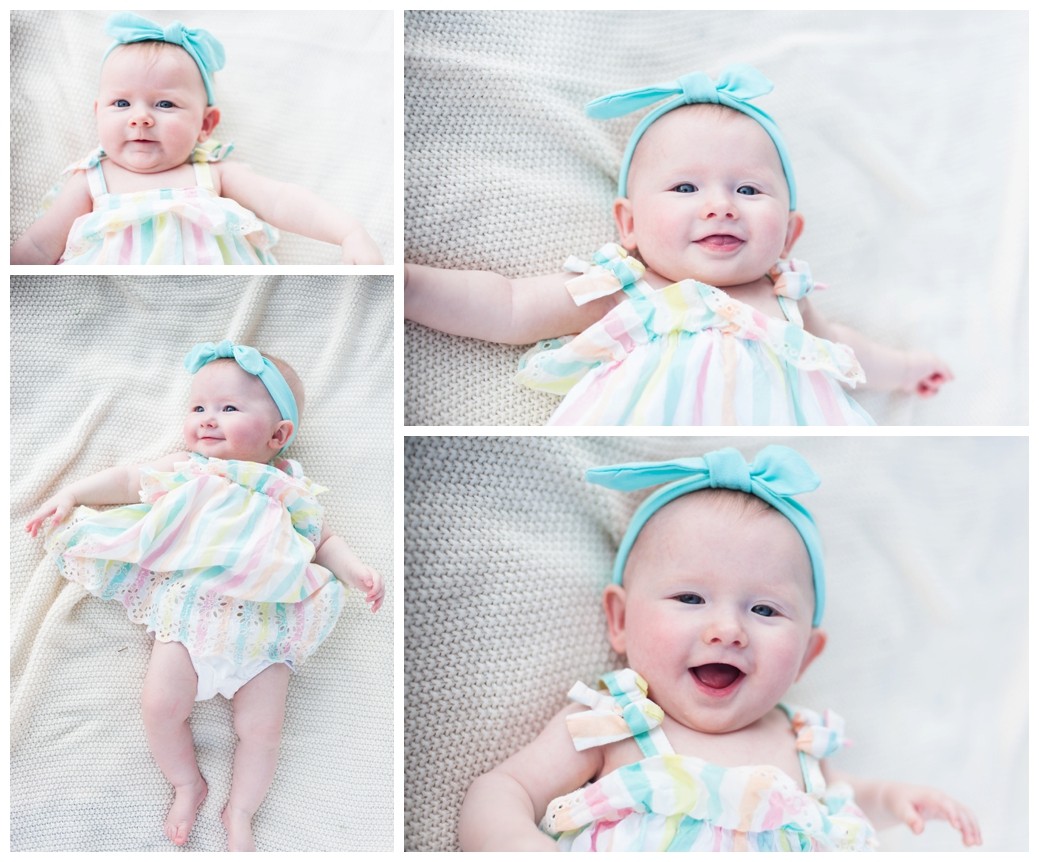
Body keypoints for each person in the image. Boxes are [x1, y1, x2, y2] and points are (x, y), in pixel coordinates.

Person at [457, 446, 980, 850]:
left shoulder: (799, 742)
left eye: (765, 610)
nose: (727, 630)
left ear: (806, 656)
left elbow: (846, 801)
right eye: (690, 597)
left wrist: (893, 799)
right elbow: (503, 790)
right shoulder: (614, 723)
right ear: (619, 620)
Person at [404, 65, 950, 425]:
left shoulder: (787, 300)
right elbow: (508, 305)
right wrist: (410, 288)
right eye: (686, 188)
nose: (721, 206)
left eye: (749, 189)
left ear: (788, 234)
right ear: (630, 224)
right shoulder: (625, 288)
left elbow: (844, 348)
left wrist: (904, 369)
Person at [24, 340, 384, 851]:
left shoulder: (284, 488)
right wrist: (73, 494)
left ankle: (241, 810)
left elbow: (323, 541)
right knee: (158, 705)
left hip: (265, 630)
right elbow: (130, 480)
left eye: (229, 408)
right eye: (198, 408)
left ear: (278, 435)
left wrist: (355, 571)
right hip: (192, 617)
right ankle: (187, 782)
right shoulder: (190, 468)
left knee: (262, 730)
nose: (207, 419)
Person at [11, 13, 382, 265]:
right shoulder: (92, 179)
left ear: (205, 124)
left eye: (165, 104)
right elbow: (39, 244)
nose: (140, 117)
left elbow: (281, 200)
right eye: (121, 103)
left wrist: (348, 232)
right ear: (97, 114)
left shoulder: (214, 172)